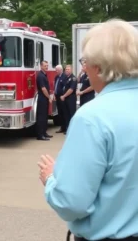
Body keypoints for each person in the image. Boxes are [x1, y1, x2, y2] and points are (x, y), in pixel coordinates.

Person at [38, 19, 138, 241]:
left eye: (85, 61)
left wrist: (51, 179)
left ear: (100, 67)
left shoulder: (93, 117)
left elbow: (71, 203)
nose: (84, 67)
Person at [36, 60, 53, 141]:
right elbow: (43, 89)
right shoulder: (40, 76)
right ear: (41, 66)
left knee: (45, 116)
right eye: (45, 65)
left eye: (47, 65)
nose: (46, 67)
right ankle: (40, 135)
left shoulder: (44, 75)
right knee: (41, 117)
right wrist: (49, 97)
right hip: (42, 98)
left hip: (45, 98)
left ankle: (44, 132)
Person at [60, 65, 77, 133]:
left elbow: (71, 89)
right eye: (66, 69)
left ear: (71, 70)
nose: (67, 70)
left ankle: (72, 130)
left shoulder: (73, 78)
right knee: (66, 114)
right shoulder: (65, 78)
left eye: (68, 69)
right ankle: (68, 128)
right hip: (65, 99)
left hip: (71, 99)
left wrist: (63, 96)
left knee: (71, 114)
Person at [53, 64, 67, 133]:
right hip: (57, 97)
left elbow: (65, 87)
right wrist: (54, 94)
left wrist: (63, 95)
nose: (56, 71)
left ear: (61, 70)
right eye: (56, 70)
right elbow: (55, 86)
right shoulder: (56, 77)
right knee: (60, 113)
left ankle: (66, 128)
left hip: (62, 97)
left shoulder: (64, 77)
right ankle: (62, 127)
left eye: (57, 70)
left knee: (64, 112)